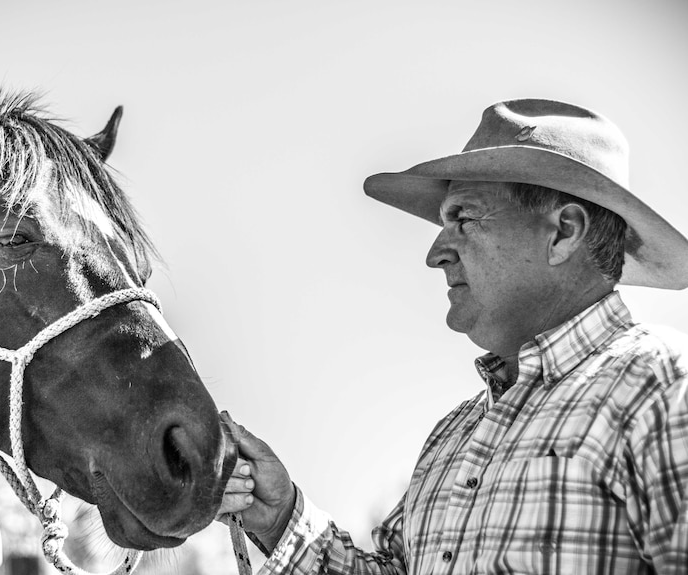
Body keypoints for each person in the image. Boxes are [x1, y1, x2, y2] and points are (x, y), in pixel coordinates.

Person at [217, 99, 688, 574]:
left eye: (463, 219)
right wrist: (279, 519)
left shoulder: (662, 387)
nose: (436, 254)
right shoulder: (452, 435)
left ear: (564, 232)